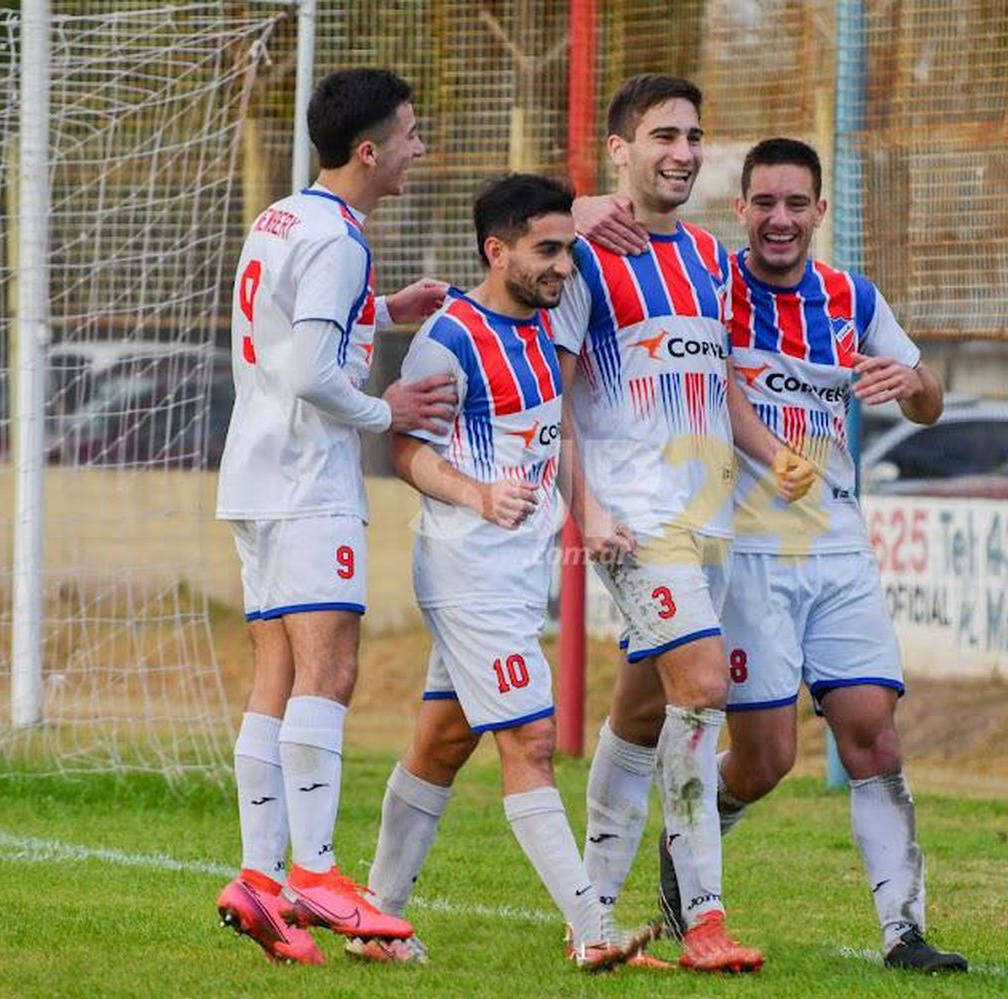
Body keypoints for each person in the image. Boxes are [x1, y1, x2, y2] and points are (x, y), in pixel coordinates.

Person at [626, 137, 967, 973]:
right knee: (769, 758)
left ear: (819, 211)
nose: (780, 219)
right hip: (746, 551)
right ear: (740, 209)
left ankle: (905, 930)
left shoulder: (853, 296)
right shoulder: (714, 284)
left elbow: (929, 399)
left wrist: (908, 384)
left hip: (839, 545)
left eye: (796, 204)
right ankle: (690, 851)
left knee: (873, 734)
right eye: (764, 203)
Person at [549, 75, 814, 975]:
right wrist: (585, 507)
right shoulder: (582, 255)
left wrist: (771, 446)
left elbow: (720, 376)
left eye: (695, 136)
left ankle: (592, 921)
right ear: (619, 149)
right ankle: (702, 914)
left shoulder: (706, 255)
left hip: (707, 520)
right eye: (663, 135)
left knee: (642, 705)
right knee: (704, 684)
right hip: (636, 518)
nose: (685, 152)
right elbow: (555, 395)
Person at [356, 173, 647, 972]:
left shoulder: (544, 326)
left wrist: (587, 514)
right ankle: (593, 927)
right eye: (547, 251)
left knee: (444, 739)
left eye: (568, 249)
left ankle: (374, 919)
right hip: (467, 568)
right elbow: (405, 450)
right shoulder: (448, 338)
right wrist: (477, 494)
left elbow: (554, 440)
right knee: (530, 736)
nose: (564, 266)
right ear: (497, 251)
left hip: (516, 572)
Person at [213, 68, 456, 965]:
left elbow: (286, 336)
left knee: (276, 672)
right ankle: (317, 873)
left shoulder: (283, 217)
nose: (417, 150)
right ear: (368, 150)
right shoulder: (339, 241)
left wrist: (384, 312)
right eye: (410, 134)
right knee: (331, 667)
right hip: (307, 479)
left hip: (254, 472)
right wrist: (387, 410)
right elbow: (314, 374)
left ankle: (259, 877)